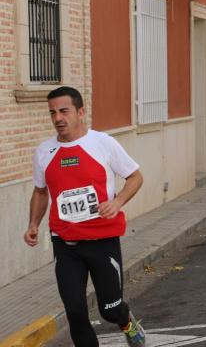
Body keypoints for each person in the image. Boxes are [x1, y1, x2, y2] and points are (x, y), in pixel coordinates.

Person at [24, 86, 146, 347]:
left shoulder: (102, 143)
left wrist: (118, 202)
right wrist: (33, 224)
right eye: (53, 112)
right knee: (76, 313)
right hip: (65, 244)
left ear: (80, 112)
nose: (58, 118)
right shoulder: (44, 152)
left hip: (103, 241)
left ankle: (126, 321)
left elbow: (135, 176)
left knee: (109, 310)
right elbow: (40, 191)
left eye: (64, 111)